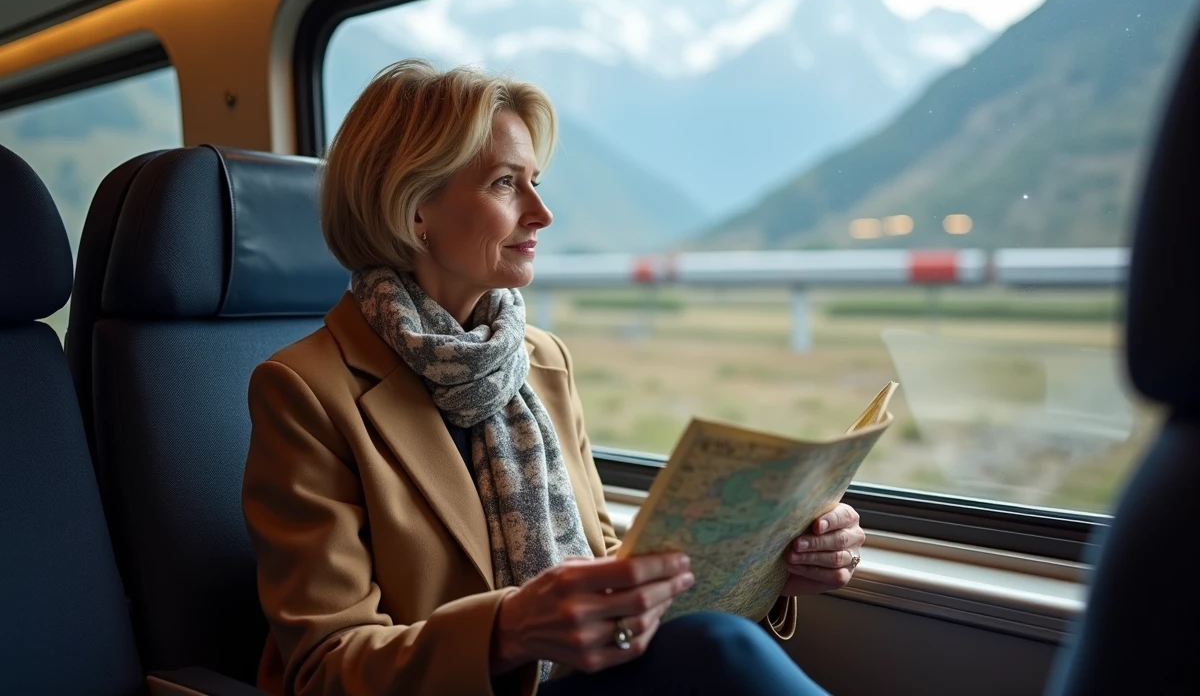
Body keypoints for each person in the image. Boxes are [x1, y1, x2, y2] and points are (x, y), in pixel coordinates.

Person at [242, 60, 866, 696]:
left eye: (535, 181)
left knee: (717, 641)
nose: (541, 213)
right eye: (506, 183)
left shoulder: (542, 360)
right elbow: (325, 669)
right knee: (716, 649)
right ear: (413, 207)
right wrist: (507, 631)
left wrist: (770, 562)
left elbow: (603, 563)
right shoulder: (305, 391)